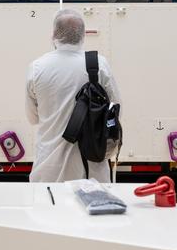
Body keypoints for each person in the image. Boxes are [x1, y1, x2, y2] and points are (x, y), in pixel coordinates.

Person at [25, 10, 122, 182]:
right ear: (83, 35)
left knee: (48, 207)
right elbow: (115, 109)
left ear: (53, 34)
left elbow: (32, 118)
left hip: (48, 170)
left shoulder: (37, 67)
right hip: (92, 171)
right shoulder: (98, 64)